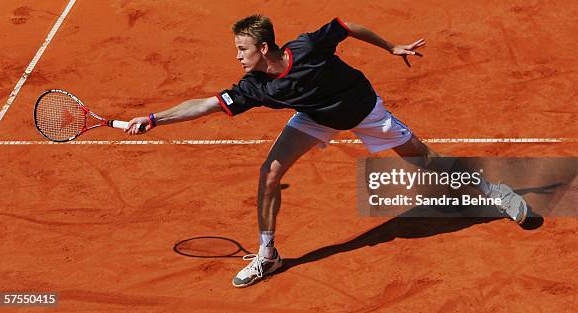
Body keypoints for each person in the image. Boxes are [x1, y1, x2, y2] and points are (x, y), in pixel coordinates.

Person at [125, 15, 528, 288]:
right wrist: (154, 119)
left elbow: (346, 25)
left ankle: (495, 194)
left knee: (425, 159)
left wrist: (390, 48)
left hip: (362, 109)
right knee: (269, 172)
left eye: (242, 49)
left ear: (265, 48)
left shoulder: (308, 47)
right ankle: (268, 254)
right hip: (316, 116)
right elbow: (209, 104)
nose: (237, 56)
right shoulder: (255, 86)